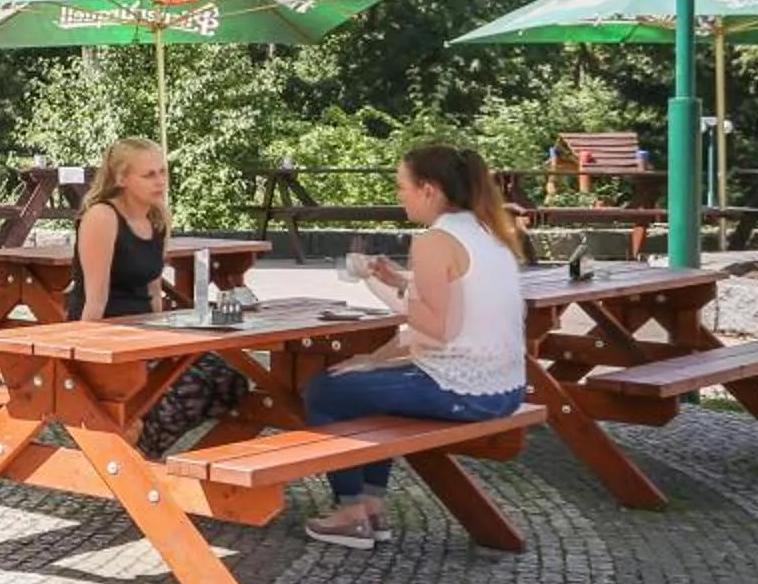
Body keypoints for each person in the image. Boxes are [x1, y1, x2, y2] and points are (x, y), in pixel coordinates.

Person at [299, 141, 531, 548]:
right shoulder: (490, 234)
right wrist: (399, 292)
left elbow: (431, 328)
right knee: (368, 389)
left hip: (465, 391)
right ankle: (372, 508)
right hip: (506, 389)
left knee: (324, 390)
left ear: (429, 189)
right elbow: (456, 312)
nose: (398, 195)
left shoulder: (433, 241)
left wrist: (371, 282)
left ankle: (351, 512)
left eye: (401, 185)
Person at [66, 138, 247, 457]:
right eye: (149, 175)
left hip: (146, 332)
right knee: (187, 389)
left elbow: (153, 291)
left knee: (228, 381)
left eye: (163, 172)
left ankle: (144, 447)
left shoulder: (158, 218)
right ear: (121, 179)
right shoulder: (102, 217)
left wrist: (169, 343)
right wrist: (85, 365)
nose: (160, 181)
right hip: (107, 334)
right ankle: (136, 461)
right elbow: (93, 299)